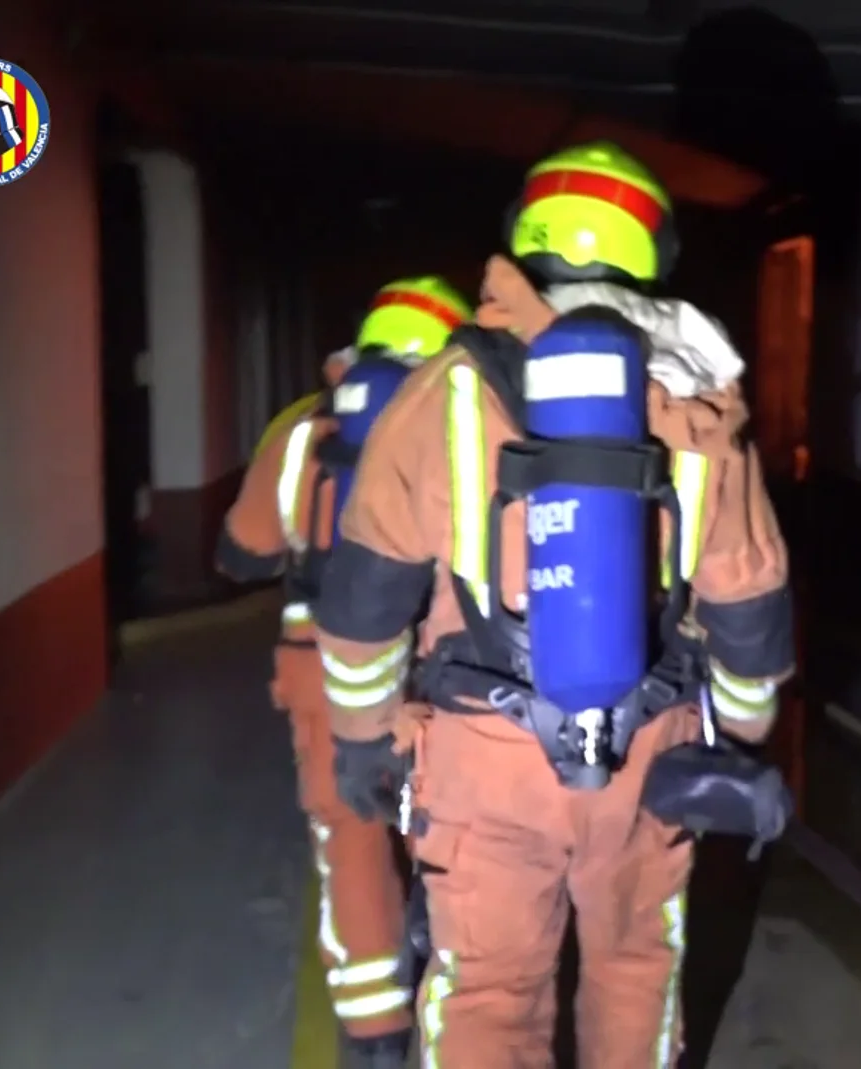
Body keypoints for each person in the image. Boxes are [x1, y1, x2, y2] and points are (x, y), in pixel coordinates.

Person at [313, 142, 796, 1067]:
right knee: (634, 968)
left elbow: (368, 595)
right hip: (644, 756)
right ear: (650, 246)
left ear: (523, 241)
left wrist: (363, 735)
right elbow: (749, 604)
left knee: (487, 989)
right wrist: (732, 739)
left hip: (481, 755)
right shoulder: (695, 400)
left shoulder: (449, 388)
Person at [219, 276, 473, 1069]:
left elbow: (239, 553)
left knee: (353, 845)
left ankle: (375, 1036)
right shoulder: (466, 419)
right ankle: (458, 1011)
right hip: (444, 682)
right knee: (458, 842)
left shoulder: (303, 429)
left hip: (325, 679)